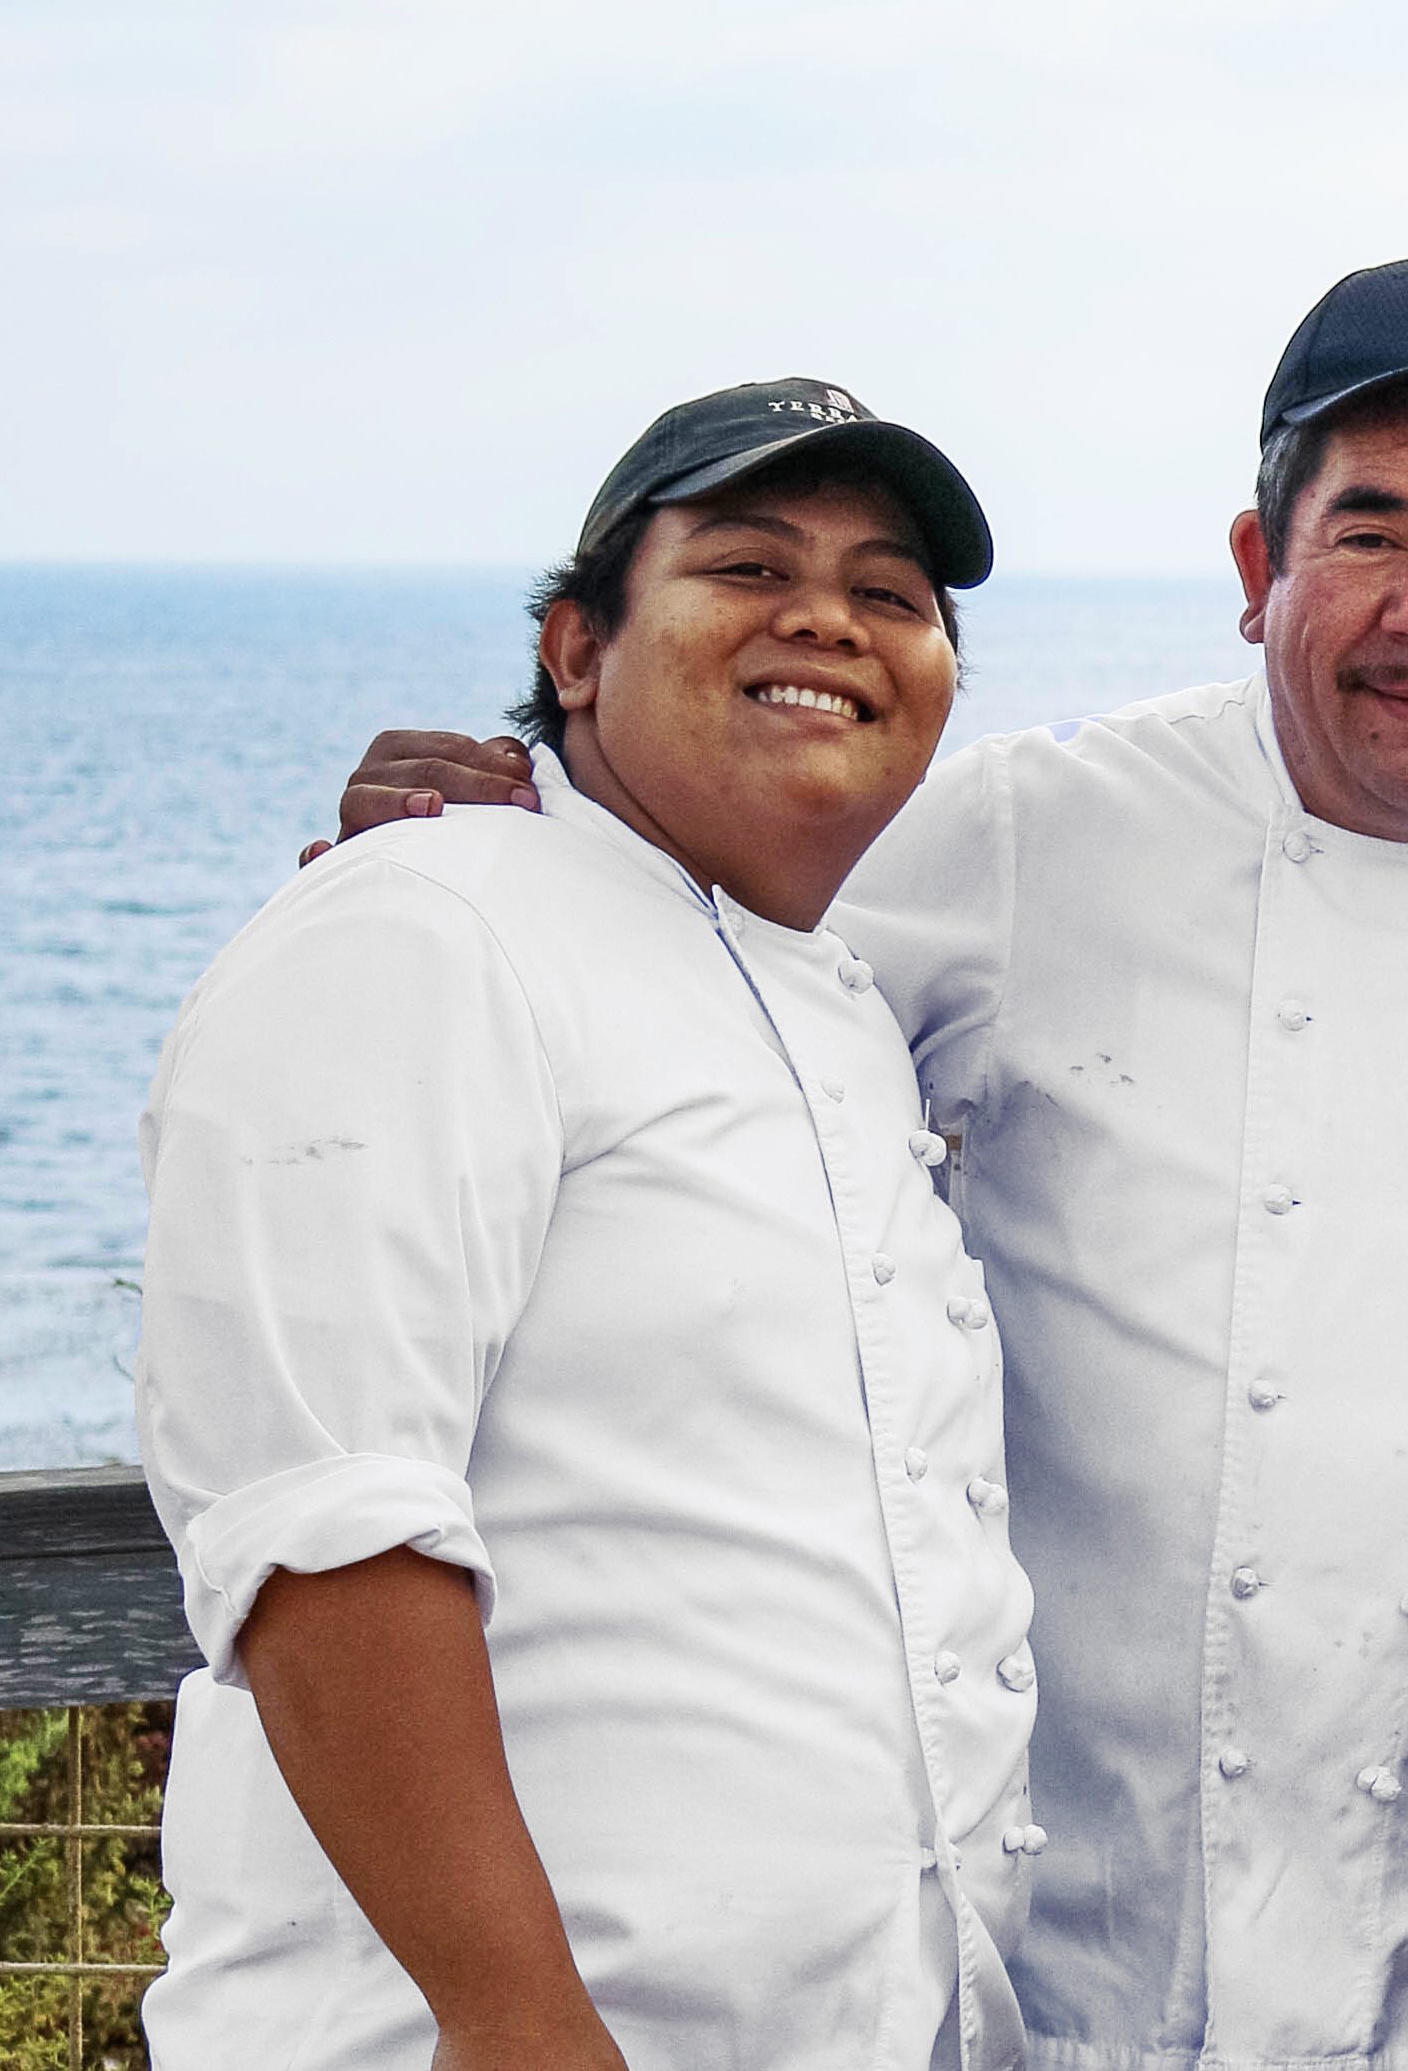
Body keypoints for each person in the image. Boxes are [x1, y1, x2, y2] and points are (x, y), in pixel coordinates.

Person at [319, 259, 1408, 2071]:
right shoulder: (1033, 830)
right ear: (1252, 568)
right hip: (1066, 1971)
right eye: (1364, 533)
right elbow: (687, 968)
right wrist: (491, 850)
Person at [143, 380, 1037, 2069]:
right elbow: (324, 1522)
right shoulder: (426, 922)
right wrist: (522, 2025)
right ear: (575, 650)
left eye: (892, 593)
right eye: (748, 564)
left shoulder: (833, 991)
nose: (827, 620)